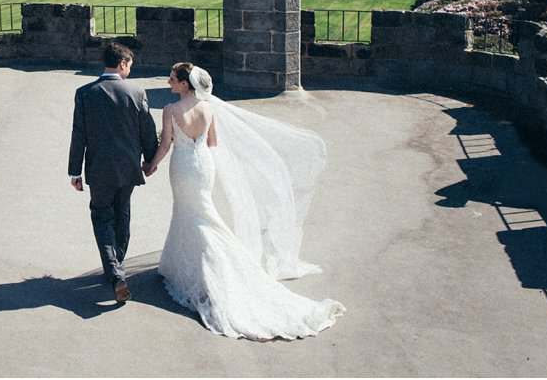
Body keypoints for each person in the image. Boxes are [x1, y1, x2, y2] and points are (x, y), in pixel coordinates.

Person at [144, 62, 345, 340]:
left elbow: (165, 144)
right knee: (201, 213)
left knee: (192, 215)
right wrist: (194, 146)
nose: (168, 82)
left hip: (182, 167)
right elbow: (212, 143)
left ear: (185, 84)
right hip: (202, 165)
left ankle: (211, 268)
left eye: (172, 78)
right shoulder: (209, 108)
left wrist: (151, 165)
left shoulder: (170, 110)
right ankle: (183, 264)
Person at [68, 42, 159, 303]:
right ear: (122, 64)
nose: (130, 70)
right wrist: (150, 161)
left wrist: (75, 171)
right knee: (122, 215)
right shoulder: (137, 92)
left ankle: (115, 271)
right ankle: (116, 267)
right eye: (130, 65)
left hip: (98, 168)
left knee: (101, 217)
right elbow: (147, 131)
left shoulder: (85, 93)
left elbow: (79, 134)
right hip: (128, 167)